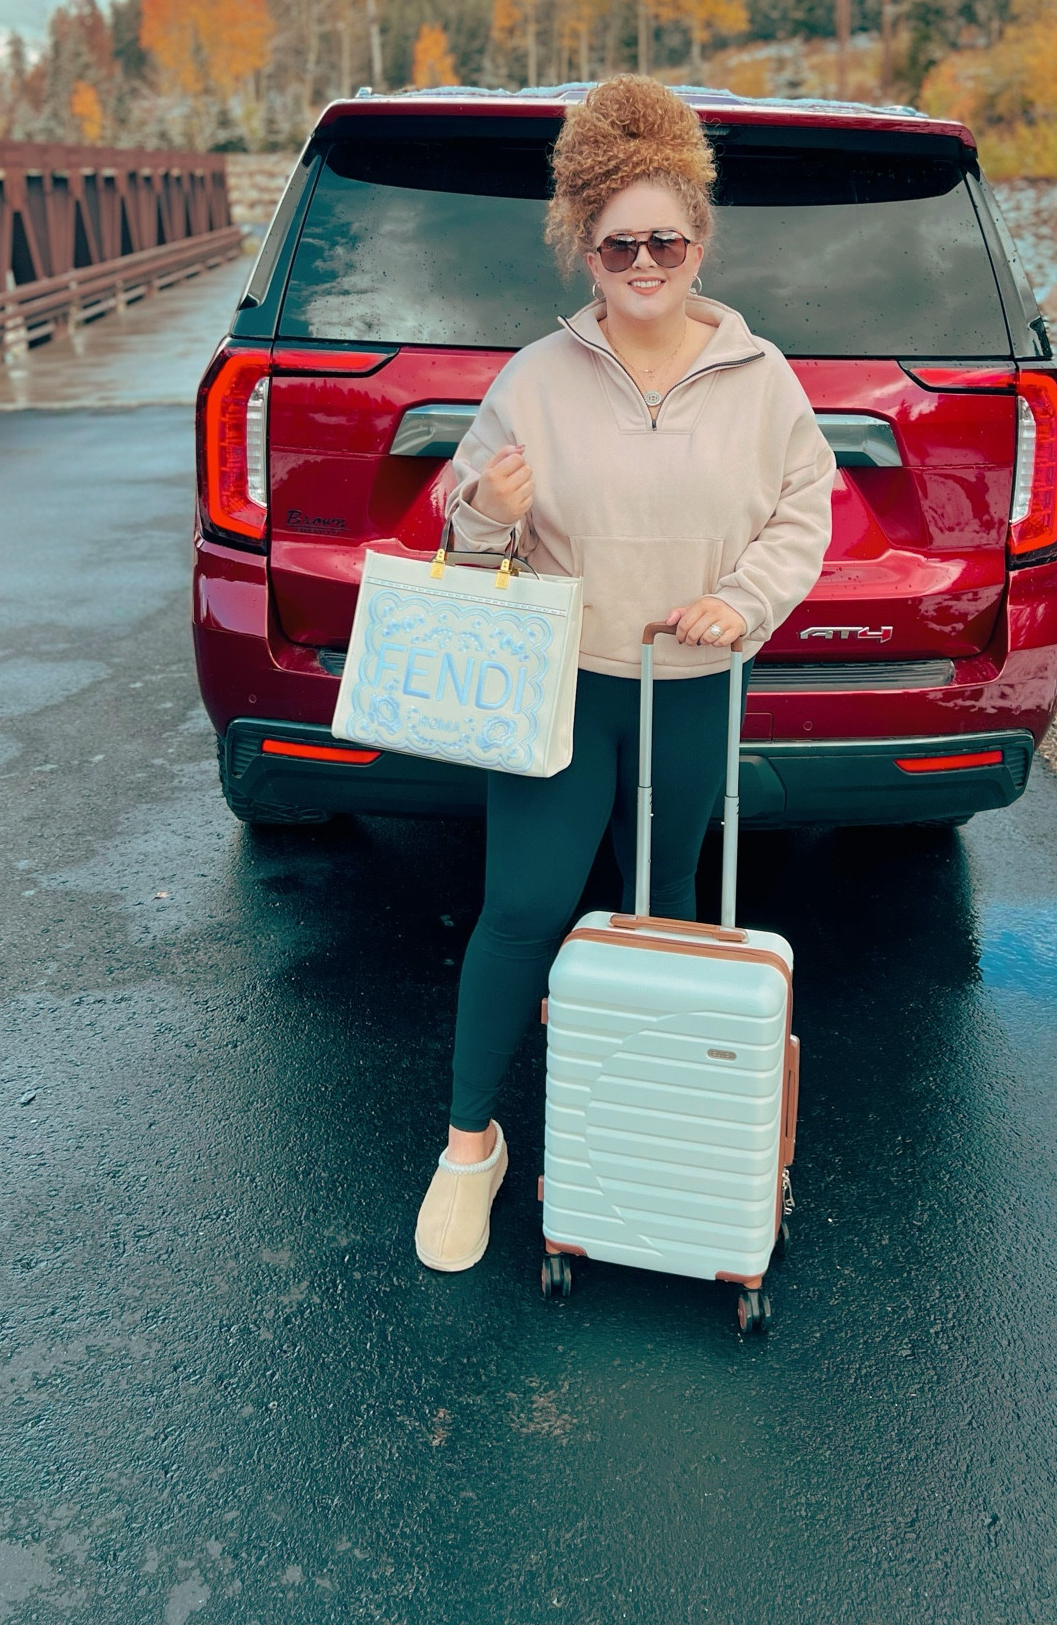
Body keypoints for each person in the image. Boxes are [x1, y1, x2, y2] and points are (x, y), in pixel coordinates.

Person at [414, 75, 834, 1272]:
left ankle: (655, 1146)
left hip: (688, 680)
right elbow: (466, 544)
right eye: (618, 243)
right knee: (523, 910)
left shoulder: (760, 378)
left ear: (698, 243)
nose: (644, 261)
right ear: (584, 249)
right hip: (560, 683)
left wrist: (741, 604)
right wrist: (489, 512)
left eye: (667, 239)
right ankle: (469, 1146)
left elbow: (805, 514)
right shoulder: (536, 378)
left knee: (666, 916)